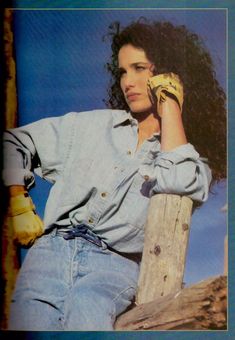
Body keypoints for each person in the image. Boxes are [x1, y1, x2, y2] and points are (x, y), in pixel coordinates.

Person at [3, 19, 226, 331]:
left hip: (114, 267)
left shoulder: (191, 157)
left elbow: (178, 180)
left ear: (168, 73)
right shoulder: (91, 126)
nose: (127, 82)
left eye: (139, 68)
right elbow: (13, 141)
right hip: (50, 253)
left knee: (86, 315)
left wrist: (171, 104)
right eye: (122, 71)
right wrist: (19, 201)